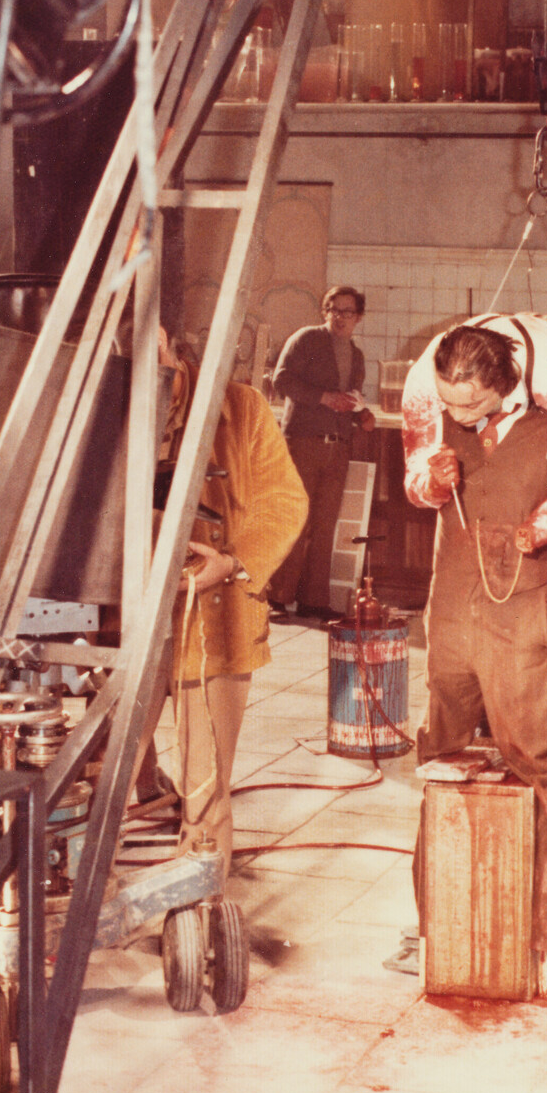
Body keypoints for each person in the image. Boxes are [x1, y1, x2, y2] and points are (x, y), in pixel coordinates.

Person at [401, 314, 547, 985]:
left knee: (531, 757)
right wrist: (433, 481)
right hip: (454, 595)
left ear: (504, 385)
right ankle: (435, 928)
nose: (457, 416)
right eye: (449, 404)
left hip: (522, 601)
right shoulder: (426, 384)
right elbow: (414, 476)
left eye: (470, 406)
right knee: (441, 749)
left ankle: (537, 939)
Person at [138, 327, 309, 876]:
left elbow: (283, 502)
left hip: (216, 610)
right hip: (132, 615)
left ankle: (200, 896)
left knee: (206, 777)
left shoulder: (241, 407)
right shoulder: (100, 404)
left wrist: (232, 563)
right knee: (111, 752)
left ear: (164, 343)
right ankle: (140, 790)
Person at [266, 286, 375, 623]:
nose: (341, 317)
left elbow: (350, 400)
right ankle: (279, 597)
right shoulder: (306, 339)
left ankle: (314, 599)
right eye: (335, 310)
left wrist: (362, 414)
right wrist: (325, 398)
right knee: (295, 517)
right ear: (325, 312)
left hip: (338, 446)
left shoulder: (356, 355)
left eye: (348, 312)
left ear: (358, 318)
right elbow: (281, 380)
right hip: (303, 441)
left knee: (325, 525)